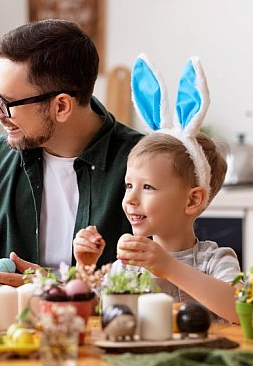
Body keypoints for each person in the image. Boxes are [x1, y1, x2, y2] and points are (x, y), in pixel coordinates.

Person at [0, 19, 143, 292]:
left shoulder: (144, 164)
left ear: (62, 106)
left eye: (7, 102)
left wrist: (50, 288)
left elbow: (168, 284)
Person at [73, 55, 240, 323]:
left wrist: (167, 266)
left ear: (192, 200)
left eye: (148, 187)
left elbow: (240, 309)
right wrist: (85, 266)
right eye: (129, 185)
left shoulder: (215, 260)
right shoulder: (128, 266)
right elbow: (92, 314)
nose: (130, 198)